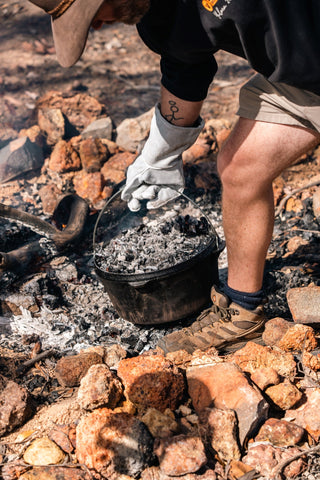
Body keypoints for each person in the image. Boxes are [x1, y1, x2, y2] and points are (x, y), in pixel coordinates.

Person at [28, 0, 320, 354]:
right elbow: (186, 64)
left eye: (93, 12)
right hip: (302, 80)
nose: (98, 27)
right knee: (239, 167)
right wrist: (161, 151)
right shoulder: (158, 14)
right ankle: (244, 313)